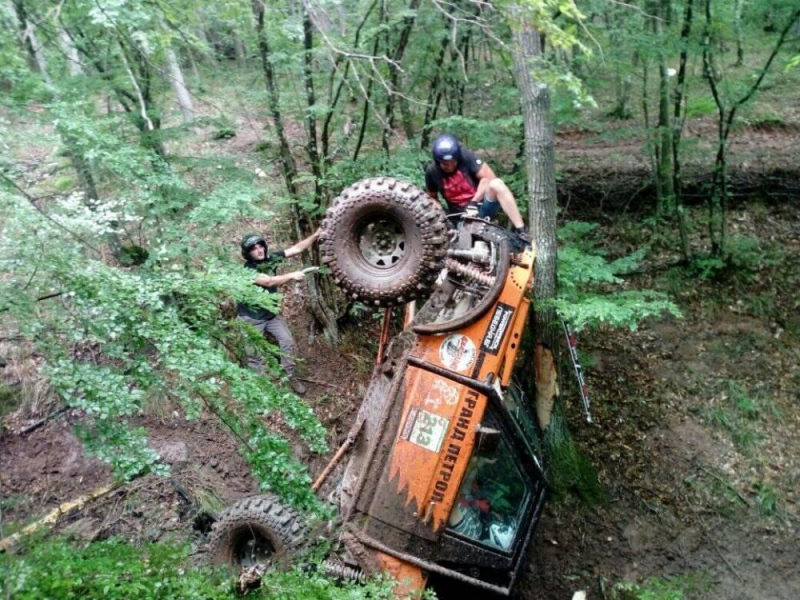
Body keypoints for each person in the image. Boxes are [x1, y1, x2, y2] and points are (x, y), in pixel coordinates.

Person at [237, 230, 320, 395]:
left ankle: (290, 376)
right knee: (253, 355)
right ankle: (258, 391)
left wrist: (317, 234)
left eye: (261, 246)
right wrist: (292, 275)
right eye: (254, 248)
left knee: (287, 342)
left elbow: (296, 249)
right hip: (251, 319)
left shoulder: (271, 259)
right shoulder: (247, 270)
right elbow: (267, 281)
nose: (259, 250)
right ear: (248, 253)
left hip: (271, 315)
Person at [424, 133, 530, 242]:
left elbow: (489, 178)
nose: (450, 166)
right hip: (461, 218)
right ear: (438, 162)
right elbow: (431, 198)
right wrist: (441, 214)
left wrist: (474, 202)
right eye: (446, 164)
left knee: (497, 183)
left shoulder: (465, 157)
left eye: (453, 162)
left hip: (481, 208)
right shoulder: (432, 172)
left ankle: (521, 231)